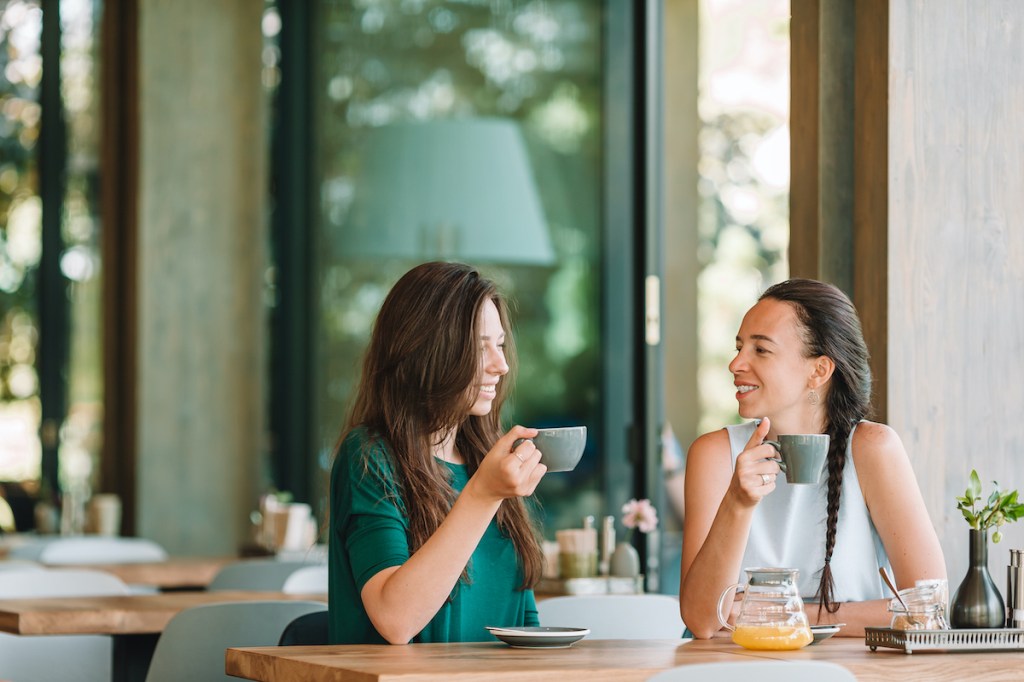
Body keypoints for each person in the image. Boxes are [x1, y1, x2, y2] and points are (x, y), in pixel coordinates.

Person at [679, 278, 946, 638]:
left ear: (818, 370)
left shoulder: (871, 449)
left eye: (761, 350)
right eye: (740, 347)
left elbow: (929, 608)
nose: (736, 364)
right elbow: (702, 620)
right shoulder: (714, 454)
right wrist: (738, 503)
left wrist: (776, 614)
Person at [328, 261, 548, 645]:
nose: (502, 365)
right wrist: (484, 494)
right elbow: (394, 620)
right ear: (426, 350)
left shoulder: (488, 458)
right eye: (481, 348)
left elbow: (522, 619)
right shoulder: (369, 456)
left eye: (499, 345)